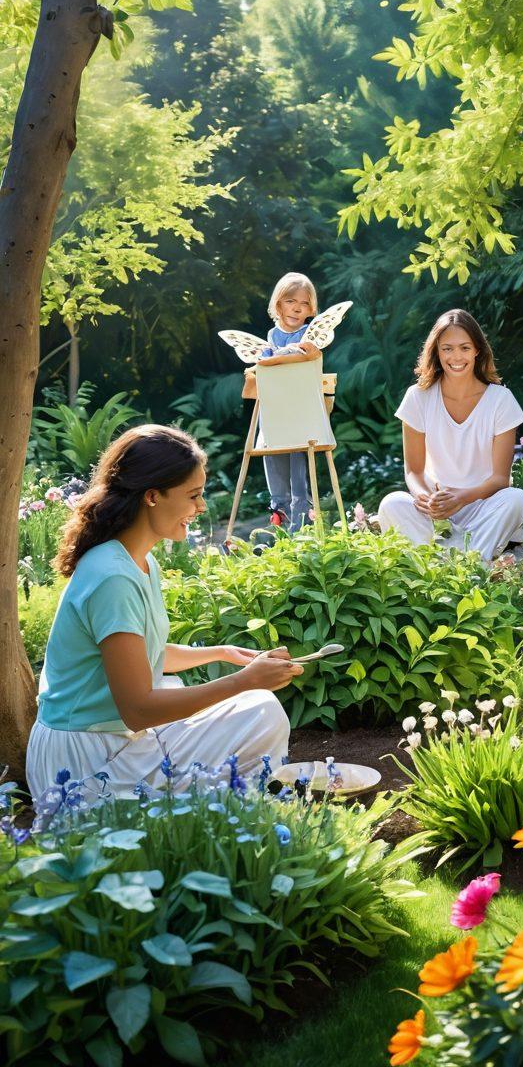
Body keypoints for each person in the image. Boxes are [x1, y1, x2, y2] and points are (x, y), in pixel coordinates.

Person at [26, 425, 303, 801]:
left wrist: (222, 653)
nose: (201, 507)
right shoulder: (112, 576)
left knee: (256, 709)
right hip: (83, 763)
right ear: (152, 496)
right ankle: (236, 818)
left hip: (113, 742)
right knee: (258, 710)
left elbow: (139, 656)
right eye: (193, 496)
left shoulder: (136, 561)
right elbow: (138, 709)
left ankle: (232, 813)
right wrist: (244, 681)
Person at [378, 309, 523, 560]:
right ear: (436, 351)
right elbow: (413, 472)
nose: (456, 356)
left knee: (516, 499)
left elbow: (500, 479)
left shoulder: (501, 400)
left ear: (477, 350)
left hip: (481, 506)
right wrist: (427, 499)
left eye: (465, 348)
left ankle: (460, 564)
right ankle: (465, 559)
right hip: (435, 510)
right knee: (392, 503)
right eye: (447, 348)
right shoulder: (418, 397)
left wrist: (460, 497)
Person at [259, 272, 321, 532]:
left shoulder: (310, 334)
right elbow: (261, 365)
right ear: (278, 305)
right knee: (274, 463)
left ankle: (302, 527)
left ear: (311, 309)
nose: (297, 307)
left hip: (300, 409)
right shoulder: (272, 335)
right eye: (290, 301)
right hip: (275, 410)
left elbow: (308, 359)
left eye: (304, 303)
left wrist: (277, 359)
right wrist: (264, 362)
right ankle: (280, 528)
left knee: (298, 469)